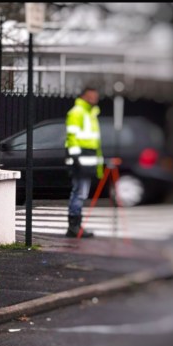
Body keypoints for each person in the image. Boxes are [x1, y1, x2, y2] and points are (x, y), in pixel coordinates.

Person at [65, 87, 104, 238]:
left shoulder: (90, 113)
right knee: (79, 192)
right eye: (92, 96)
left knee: (81, 192)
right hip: (80, 158)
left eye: (96, 96)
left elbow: (94, 141)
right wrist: (76, 158)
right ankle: (74, 227)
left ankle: (76, 226)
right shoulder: (78, 112)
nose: (94, 99)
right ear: (85, 96)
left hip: (87, 158)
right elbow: (72, 136)